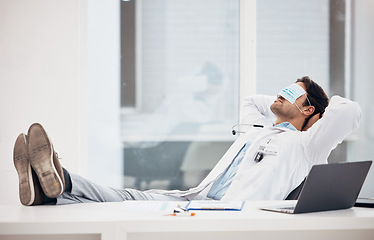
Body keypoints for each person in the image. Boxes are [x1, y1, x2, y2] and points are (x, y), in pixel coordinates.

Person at [13, 76, 361, 206]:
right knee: (124, 197)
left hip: (225, 214)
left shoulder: (306, 146)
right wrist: (287, 99)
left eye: (291, 94)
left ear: (310, 109)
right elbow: (253, 100)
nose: (280, 96)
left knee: (123, 202)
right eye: (282, 90)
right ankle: (50, 188)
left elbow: (348, 112)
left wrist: (313, 119)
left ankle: (56, 181)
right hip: (195, 198)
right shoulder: (257, 129)